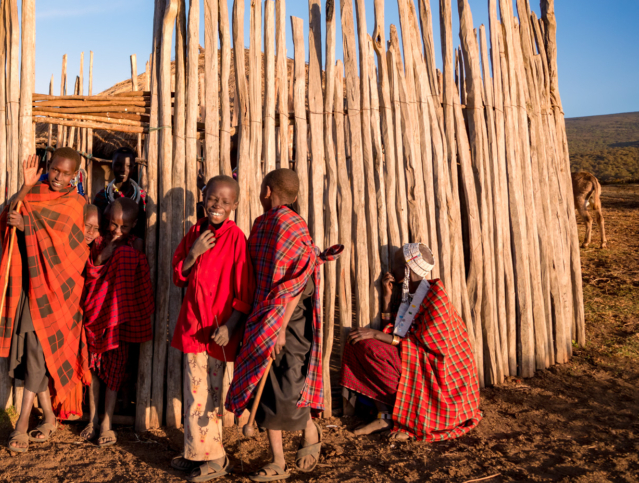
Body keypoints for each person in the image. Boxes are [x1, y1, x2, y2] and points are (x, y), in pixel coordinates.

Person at [225, 169, 329, 481]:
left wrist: (280, 327)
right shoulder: (263, 223)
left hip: (290, 324)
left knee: (288, 387)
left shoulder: (291, 225)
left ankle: (310, 430)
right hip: (262, 316)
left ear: (267, 191)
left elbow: (299, 284)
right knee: (266, 383)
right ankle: (278, 461)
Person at [0, 148, 90, 453]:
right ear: (48, 167)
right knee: (33, 348)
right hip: (29, 284)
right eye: (55, 171)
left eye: (67, 174)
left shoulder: (77, 204)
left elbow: (71, 249)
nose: (60, 178)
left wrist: (29, 227)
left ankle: (22, 422)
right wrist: (25, 185)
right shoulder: (33, 193)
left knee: (38, 349)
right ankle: (48, 416)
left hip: (59, 290)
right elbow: (9, 214)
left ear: (76, 174)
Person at [342, 243, 481, 442]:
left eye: (396, 264)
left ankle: (408, 419)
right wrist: (388, 298)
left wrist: (375, 334)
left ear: (407, 269)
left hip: (434, 373)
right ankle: (384, 416)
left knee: (370, 343)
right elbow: (395, 332)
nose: (391, 268)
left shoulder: (436, 299)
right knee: (359, 343)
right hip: (411, 360)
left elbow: (430, 346)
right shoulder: (408, 295)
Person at [170, 175, 255, 482]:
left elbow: (245, 291)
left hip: (218, 332)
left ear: (234, 205)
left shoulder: (235, 239)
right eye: (212, 199)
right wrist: (193, 253)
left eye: (224, 201)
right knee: (195, 393)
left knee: (210, 395)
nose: (216, 206)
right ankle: (197, 452)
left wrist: (231, 326)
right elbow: (179, 275)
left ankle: (216, 459)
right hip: (194, 326)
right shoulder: (195, 231)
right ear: (203, 197)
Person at [81, 198, 154, 447]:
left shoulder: (137, 245)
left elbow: (141, 280)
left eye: (123, 227)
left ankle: (107, 423)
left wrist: (123, 253)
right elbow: (91, 271)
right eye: (113, 224)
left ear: (134, 225)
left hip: (120, 319)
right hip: (97, 315)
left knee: (114, 374)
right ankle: (91, 419)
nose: (117, 230)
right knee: (94, 371)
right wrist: (105, 254)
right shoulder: (100, 242)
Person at [93, 147, 146, 238]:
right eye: (118, 165)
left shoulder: (141, 196)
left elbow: (142, 226)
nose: (123, 169)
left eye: (128, 166)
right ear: (112, 165)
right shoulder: (102, 196)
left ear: (134, 168)